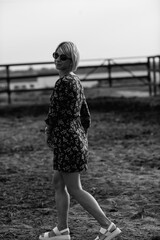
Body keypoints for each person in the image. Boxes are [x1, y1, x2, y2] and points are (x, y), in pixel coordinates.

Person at [39, 41, 121, 240]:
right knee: (58, 183)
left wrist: (49, 131)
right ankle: (62, 230)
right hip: (74, 139)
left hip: (67, 141)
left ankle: (107, 227)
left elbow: (55, 114)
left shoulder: (64, 82)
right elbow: (86, 115)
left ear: (72, 60)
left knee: (74, 188)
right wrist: (81, 136)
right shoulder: (75, 80)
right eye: (55, 55)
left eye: (63, 57)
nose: (58, 59)